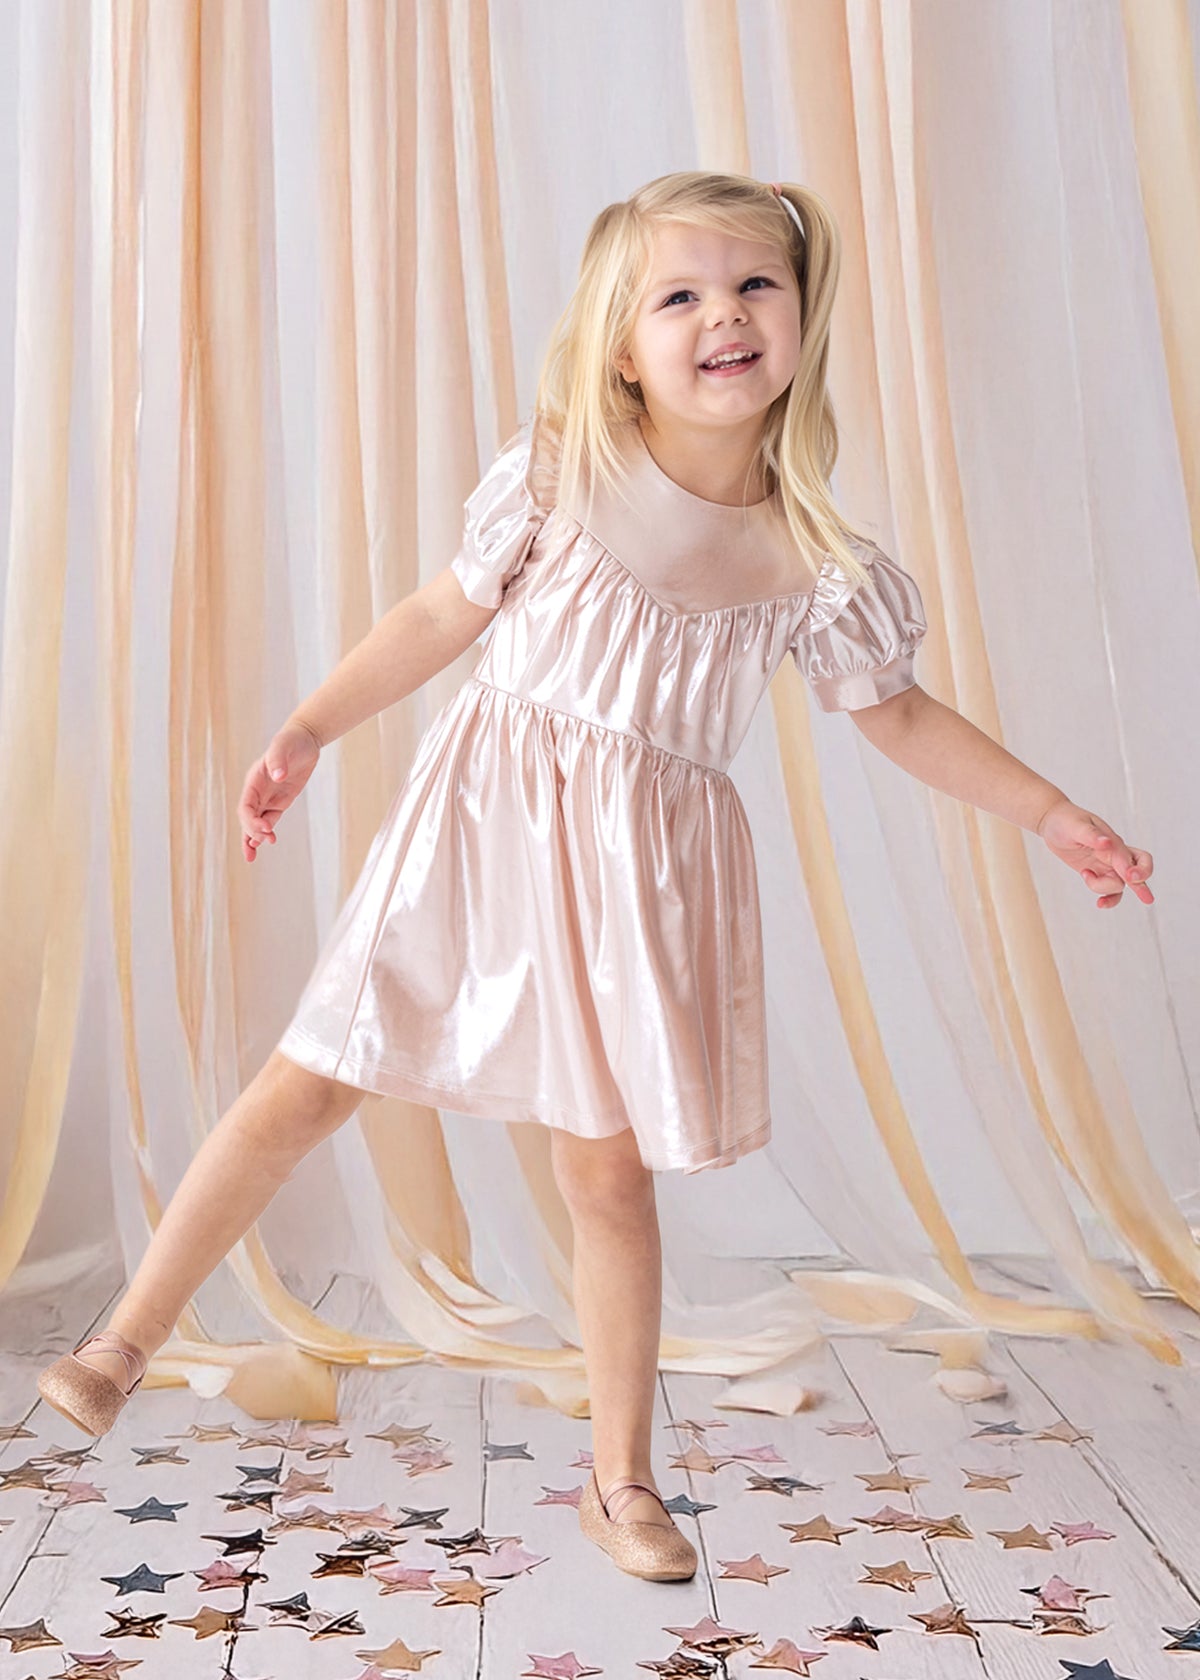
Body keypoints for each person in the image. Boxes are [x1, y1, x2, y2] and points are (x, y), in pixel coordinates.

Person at [37, 171, 1154, 1583]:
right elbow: (442, 611)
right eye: (678, 295)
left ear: (803, 319)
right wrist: (314, 726)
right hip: (480, 830)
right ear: (622, 344)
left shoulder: (812, 558)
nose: (722, 316)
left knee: (606, 1176)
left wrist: (1049, 811)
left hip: (638, 889)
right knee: (311, 1077)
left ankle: (620, 1480)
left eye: (755, 285)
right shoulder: (563, 472)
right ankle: (126, 1335)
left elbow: (902, 716)